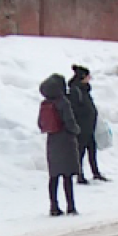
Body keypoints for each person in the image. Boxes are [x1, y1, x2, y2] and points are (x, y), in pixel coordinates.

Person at [39, 73, 81, 217]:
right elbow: (69, 122)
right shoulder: (63, 102)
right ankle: (71, 206)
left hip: (52, 141)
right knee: (67, 176)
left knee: (54, 176)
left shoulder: (45, 103)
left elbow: (40, 123)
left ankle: (54, 206)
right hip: (66, 141)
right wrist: (76, 130)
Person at [67, 64, 107, 184]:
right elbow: (75, 109)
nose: (90, 78)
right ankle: (79, 174)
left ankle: (95, 172)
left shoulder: (84, 89)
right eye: (88, 76)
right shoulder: (76, 91)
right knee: (81, 151)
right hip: (82, 127)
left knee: (92, 150)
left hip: (89, 127)